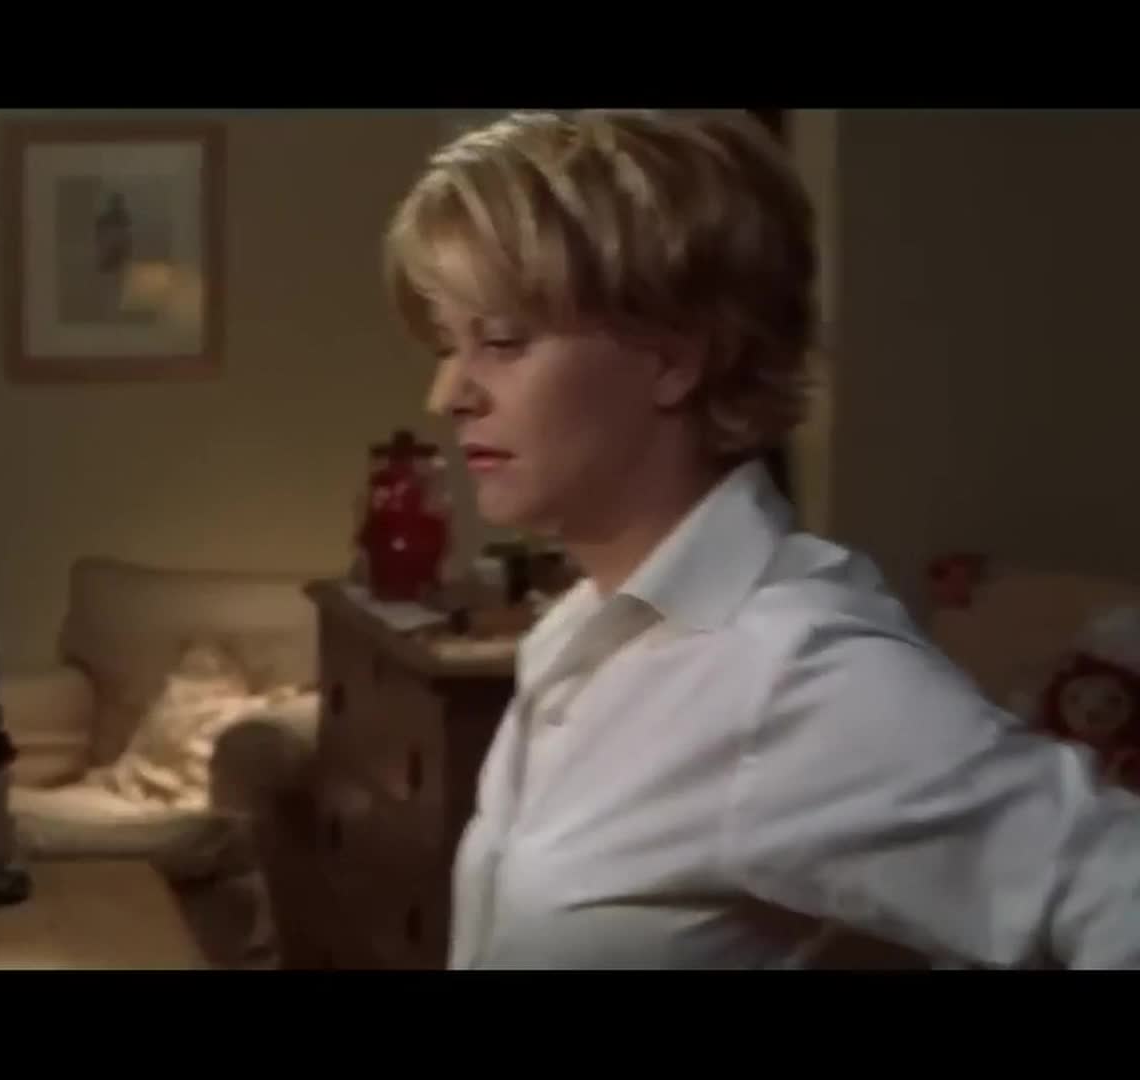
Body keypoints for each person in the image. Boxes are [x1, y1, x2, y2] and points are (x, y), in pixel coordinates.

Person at [384, 110, 1140, 969]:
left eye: (501, 342)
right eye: (447, 345)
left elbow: (1112, 886)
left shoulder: (789, 669)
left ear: (674, 358)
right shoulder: (577, 631)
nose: (448, 394)